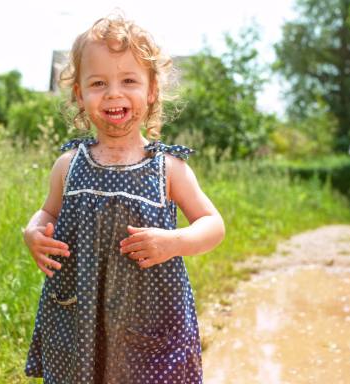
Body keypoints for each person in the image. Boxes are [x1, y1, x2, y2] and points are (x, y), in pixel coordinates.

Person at [22, 14, 225, 384]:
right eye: (98, 83)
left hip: (150, 319)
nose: (114, 93)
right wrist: (33, 232)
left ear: (151, 91)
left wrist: (175, 242)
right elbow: (47, 211)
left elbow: (213, 224)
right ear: (80, 95)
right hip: (80, 317)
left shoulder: (169, 168)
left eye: (129, 80)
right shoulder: (68, 165)